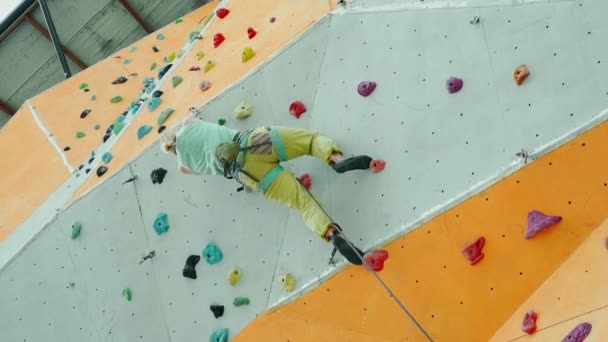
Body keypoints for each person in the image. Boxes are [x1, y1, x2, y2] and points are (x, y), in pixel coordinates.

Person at [160, 117, 380, 265]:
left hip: (248, 173)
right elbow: (191, 120)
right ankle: (337, 160)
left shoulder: (182, 165)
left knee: (302, 202)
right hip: (254, 141)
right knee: (310, 142)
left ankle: (332, 234)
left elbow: (185, 169)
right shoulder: (189, 126)